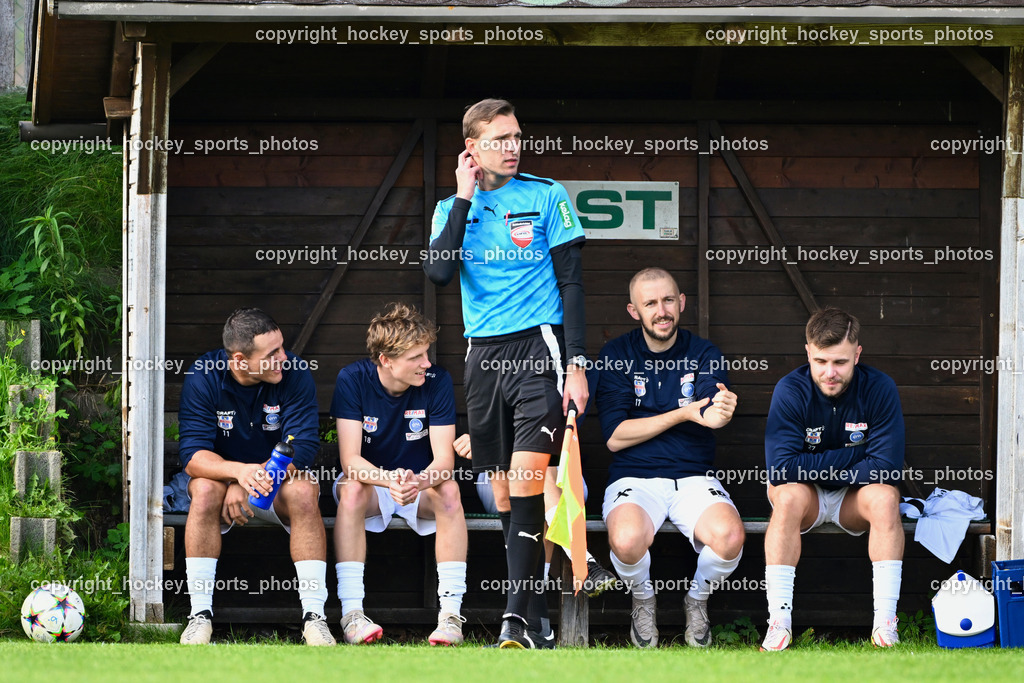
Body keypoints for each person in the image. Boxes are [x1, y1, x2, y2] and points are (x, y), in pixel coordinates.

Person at [424, 98, 590, 648]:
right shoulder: (453, 206)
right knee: (500, 493)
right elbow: (441, 272)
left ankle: (514, 616)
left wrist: (577, 363)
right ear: (472, 149)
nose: (513, 147)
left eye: (517, 136)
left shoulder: (547, 195)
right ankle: (535, 614)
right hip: (482, 357)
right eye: (499, 139)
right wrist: (465, 197)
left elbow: (572, 284)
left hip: (537, 348)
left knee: (526, 480)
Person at [595, 268, 743, 649]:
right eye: (650, 303)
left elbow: (711, 412)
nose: (661, 311)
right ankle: (643, 600)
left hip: (694, 477)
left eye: (667, 301)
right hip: (634, 477)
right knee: (626, 542)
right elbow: (614, 437)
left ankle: (697, 600)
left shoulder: (704, 353)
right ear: (634, 311)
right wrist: (681, 414)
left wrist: (721, 412)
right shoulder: (616, 355)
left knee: (729, 538)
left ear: (681, 303)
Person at [177, 308, 334, 646]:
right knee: (203, 490)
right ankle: (199, 616)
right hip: (223, 485)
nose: (283, 358)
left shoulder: (294, 371)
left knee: (305, 490)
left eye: (282, 347)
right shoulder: (204, 375)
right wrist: (236, 476)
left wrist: (250, 479)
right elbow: (193, 455)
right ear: (239, 359)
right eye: (271, 354)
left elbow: (302, 444)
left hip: (275, 484)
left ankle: (314, 618)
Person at [761, 307, 905, 651]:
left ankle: (885, 626)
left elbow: (886, 468)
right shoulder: (790, 389)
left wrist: (810, 462)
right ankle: (778, 624)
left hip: (855, 498)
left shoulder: (880, 387)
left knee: (886, 497)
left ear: (857, 354)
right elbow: (781, 469)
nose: (829, 372)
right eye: (821, 361)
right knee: (786, 495)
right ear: (808, 352)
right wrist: (858, 453)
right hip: (805, 496)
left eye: (840, 362)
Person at [331, 303, 468, 646]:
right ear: (386, 360)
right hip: (373, 484)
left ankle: (450, 616)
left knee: (449, 490)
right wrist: (389, 480)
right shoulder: (352, 378)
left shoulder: (437, 381)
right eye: (417, 357)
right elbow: (350, 461)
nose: (427, 363)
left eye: (426, 354)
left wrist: (418, 481)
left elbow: (444, 462)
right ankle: (351, 614)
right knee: (350, 490)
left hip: (417, 484)